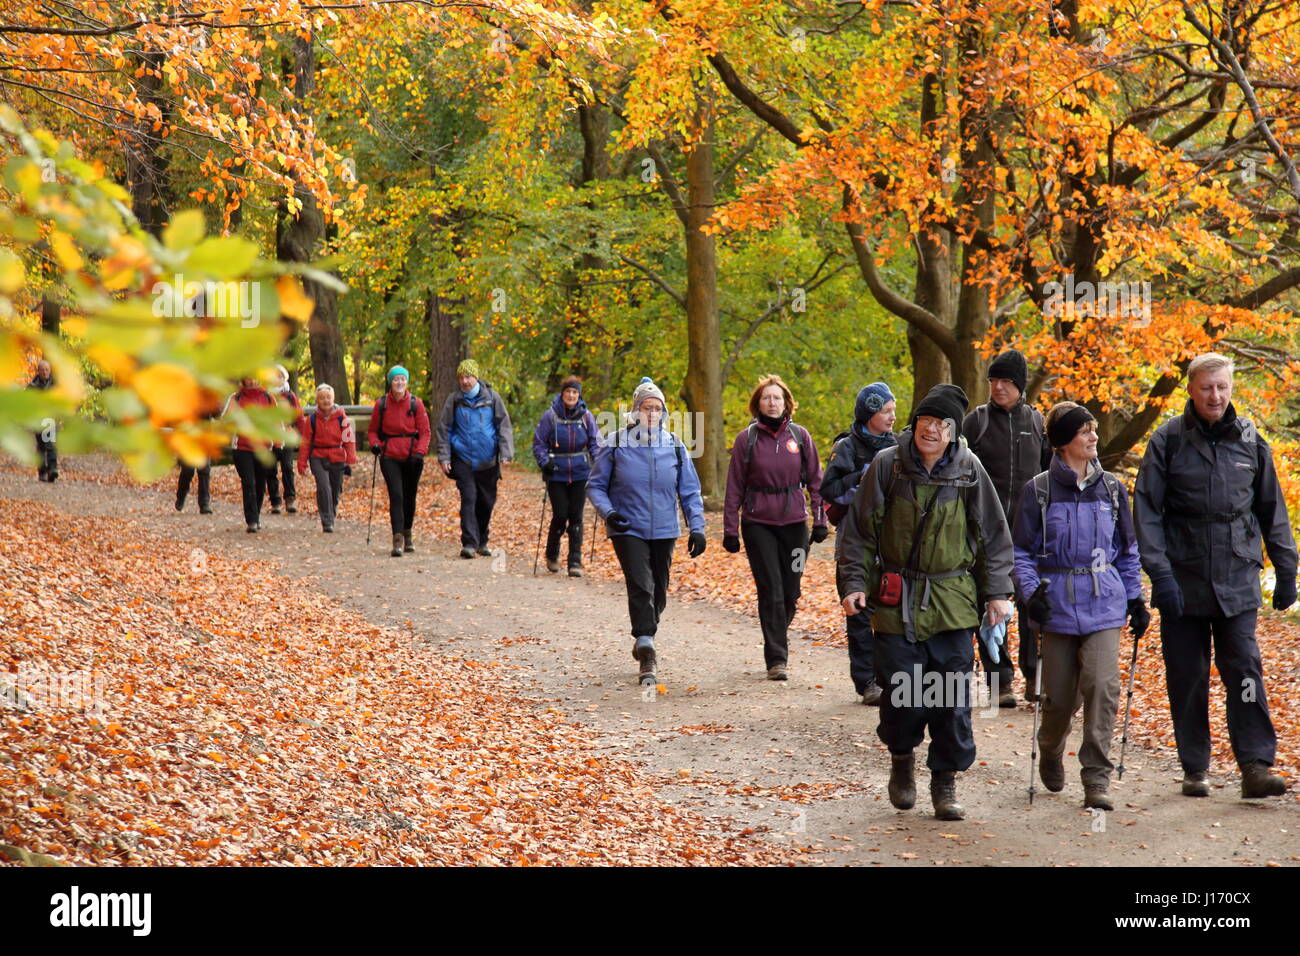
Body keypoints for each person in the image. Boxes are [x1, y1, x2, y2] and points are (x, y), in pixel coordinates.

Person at [838, 384, 1015, 821]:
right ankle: (902, 759)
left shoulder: (969, 470)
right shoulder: (887, 466)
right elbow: (858, 532)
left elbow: (993, 535)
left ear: (953, 432)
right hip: (898, 599)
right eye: (925, 421)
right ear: (913, 424)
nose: (931, 430)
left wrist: (997, 593)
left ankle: (945, 779)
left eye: (941, 424)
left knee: (952, 698)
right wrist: (854, 583)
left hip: (953, 600)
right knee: (903, 694)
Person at [1133, 353, 1296, 799]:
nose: (1216, 396)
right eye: (1207, 388)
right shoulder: (1167, 440)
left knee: (1244, 670)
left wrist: (1287, 567)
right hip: (1182, 580)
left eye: (1222, 387)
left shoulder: (1250, 441)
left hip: (1237, 578)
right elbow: (1145, 512)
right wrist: (1159, 574)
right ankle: (1195, 766)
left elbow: (1271, 508)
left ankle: (1255, 764)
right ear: (1191, 389)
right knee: (1187, 675)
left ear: (1231, 388)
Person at [1011, 402, 1148, 810]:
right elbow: (1021, 552)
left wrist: (1136, 596)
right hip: (1056, 605)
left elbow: (1127, 550)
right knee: (1059, 699)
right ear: (1063, 442)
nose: (1094, 437)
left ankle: (1096, 777)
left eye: (1093, 430)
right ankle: (1051, 748)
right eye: (1085, 431)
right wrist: (1031, 594)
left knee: (1103, 686)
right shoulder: (1038, 491)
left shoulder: (1111, 489)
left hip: (1104, 600)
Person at [587, 377, 707, 685]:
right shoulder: (615, 443)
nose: (651, 413)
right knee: (640, 583)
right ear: (635, 411)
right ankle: (646, 644)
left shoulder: (676, 446)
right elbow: (596, 485)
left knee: (659, 589)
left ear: (663, 413)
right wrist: (610, 514)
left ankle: (645, 632)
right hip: (628, 527)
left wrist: (697, 528)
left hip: (666, 528)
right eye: (645, 407)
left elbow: (690, 492)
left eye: (657, 408)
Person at [962, 348, 1052, 707]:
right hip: (986, 533)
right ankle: (1000, 681)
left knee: (1033, 604)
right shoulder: (976, 422)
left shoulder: (1036, 423)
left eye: (1006, 381)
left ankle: (1035, 678)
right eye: (993, 380)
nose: (998, 387)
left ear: (1020, 385)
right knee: (991, 604)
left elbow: (1050, 473)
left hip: (1030, 533)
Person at [722, 374, 827, 681]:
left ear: (786, 402)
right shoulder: (747, 439)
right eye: (766, 398)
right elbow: (734, 486)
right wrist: (730, 529)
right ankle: (776, 658)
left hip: (795, 523)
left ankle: (776, 632)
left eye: (777, 398)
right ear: (758, 403)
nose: (772, 402)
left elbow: (817, 481)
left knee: (791, 590)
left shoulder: (801, 436)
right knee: (771, 589)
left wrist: (820, 520)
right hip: (758, 524)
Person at [821, 382, 898, 703]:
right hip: (853, 543)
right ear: (870, 414)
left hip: (891, 544)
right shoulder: (847, 447)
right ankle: (866, 682)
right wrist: (867, 479)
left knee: (890, 614)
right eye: (886, 411)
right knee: (859, 612)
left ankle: (889, 677)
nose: (893, 417)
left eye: (894, 410)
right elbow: (830, 489)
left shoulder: (900, 446)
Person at [436, 359, 514, 559]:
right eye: (461, 377)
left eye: (468, 377)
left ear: (476, 377)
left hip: (488, 461)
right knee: (469, 498)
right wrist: (444, 456)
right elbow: (444, 429)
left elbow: (503, 425)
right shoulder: (454, 400)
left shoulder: (492, 398)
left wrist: (506, 452)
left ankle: (482, 540)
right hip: (463, 459)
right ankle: (469, 543)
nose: (465, 381)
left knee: (486, 502)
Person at [532, 375, 600, 576]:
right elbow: (538, 443)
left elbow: (595, 443)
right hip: (557, 473)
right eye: (568, 392)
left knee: (576, 517)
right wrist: (545, 462)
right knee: (561, 515)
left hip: (580, 472)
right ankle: (552, 554)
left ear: (578, 395)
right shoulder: (550, 416)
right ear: (562, 394)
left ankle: (574, 561)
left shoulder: (586, 416)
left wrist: (599, 465)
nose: (571, 395)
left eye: (574, 392)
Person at [368, 365, 432, 558]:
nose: (399, 383)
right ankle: (397, 539)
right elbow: (372, 431)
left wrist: (420, 452)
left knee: (409, 496)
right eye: (396, 379)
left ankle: (408, 534)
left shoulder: (416, 404)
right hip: (389, 456)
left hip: (413, 456)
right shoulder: (382, 404)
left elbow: (425, 431)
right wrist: (375, 444)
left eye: (402, 379)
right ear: (391, 382)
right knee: (396, 495)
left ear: (407, 382)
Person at [297, 384, 358, 533]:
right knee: (324, 487)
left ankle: (331, 511)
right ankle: (327, 521)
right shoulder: (311, 420)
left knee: (335, 489)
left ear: (333, 399)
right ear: (317, 400)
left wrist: (351, 458)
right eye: (322, 398)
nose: (326, 400)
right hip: (318, 456)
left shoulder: (341, 418)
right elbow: (305, 443)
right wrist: (302, 463)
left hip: (337, 456)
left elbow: (348, 439)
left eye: (328, 397)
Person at [222, 376, 277, 533]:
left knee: (260, 483)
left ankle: (256, 513)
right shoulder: (236, 398)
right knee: (248, 482)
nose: (252, 381)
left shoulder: (268, 397)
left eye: (254, 378)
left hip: (263, 446)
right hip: (242, 447)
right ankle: (251, 520)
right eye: (249, 378)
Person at [266, 364, 304, 515]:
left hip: (287, 435)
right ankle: (275, 501)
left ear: (284, 378)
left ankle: (290, 498)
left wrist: (301, 436)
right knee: (270, 469)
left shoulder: (290, 396)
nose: (277, 379)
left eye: (280, 376)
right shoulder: (266, 395)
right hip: (270, 436)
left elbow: (299, 416)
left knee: (287, 467)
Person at [28, 359, 57, 482]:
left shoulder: (55, 385)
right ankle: (42, 472)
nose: (45, 372)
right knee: (41, 446)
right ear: (38, 371)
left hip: (50, 418)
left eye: (47, 369)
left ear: (50, 371)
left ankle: (52, 470)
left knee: (50, 444)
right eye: (42, 370)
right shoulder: (32, 387)